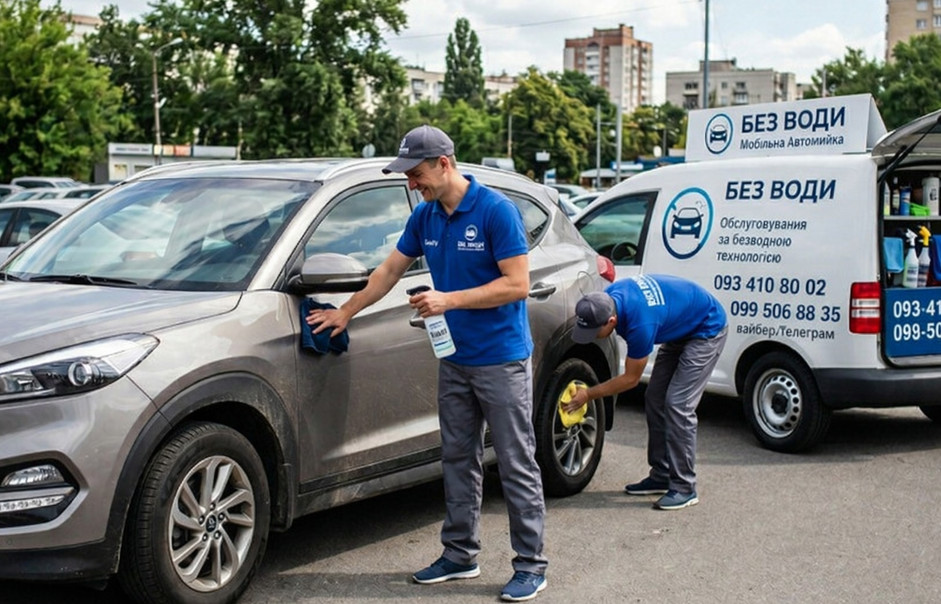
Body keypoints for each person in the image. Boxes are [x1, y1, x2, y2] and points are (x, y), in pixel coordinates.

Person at [307, 124, 548, 602]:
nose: (411, 183)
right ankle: (460, 555)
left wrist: (448, 300)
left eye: (416, 174)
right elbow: (388, 271)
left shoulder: (497, 211)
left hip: (501, 360)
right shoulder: (426, 216)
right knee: (457, 458)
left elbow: (517, 285)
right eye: (407, 176)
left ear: (444, 163)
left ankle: (531, 566)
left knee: (515, 461)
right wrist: (344, 312)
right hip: (454, 359)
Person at [564, 274, 727, 510]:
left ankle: (685, 487)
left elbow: (631, 379)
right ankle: (662, 474)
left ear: (611, 321)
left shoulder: (640, 325)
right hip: (680, 328)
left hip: (706, 329)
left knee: (678, 404)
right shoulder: (607, 298)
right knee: (655, 398)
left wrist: (588, 395)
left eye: (594, 332)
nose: (591, 338)